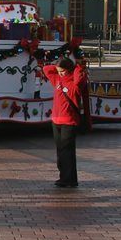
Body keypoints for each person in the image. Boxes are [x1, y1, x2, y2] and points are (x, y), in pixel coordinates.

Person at [40, 53, 89, 188]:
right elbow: (46, 69)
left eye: (63, 71)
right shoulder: (56, 79)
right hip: (56, 120)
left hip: (69, 121)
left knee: (67, 151)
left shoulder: (74, 83)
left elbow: (80, 78)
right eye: (59, 71)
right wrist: (58, 66)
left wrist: (76, 66)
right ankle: (64, 177)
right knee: (60, 151)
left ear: (69, 69)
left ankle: (69, 179)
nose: (60, 73)